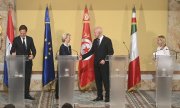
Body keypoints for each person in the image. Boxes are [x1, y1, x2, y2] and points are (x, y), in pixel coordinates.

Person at [80, 26, 114, 102]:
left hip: (104, 65)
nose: (94, 34)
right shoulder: (95, 41)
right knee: (98, 81)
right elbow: (91, 51)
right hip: (96, 65)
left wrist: (104, 59)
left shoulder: (107, 40)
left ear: (99, 33)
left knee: (106, 81)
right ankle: (100, 96)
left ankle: (107, 97)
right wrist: (82, 57)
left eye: (95, 32)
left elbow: (111, 52)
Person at [10, 25, 36, 100]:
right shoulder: (16, 40)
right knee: (19, 79)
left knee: (27, 79)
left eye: (24, 33)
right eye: (21, 33)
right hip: (19, 63)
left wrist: (33, 55)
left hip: (28, 63)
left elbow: (33, 49)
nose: (22, 34)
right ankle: (19, 94)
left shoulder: (30, 39)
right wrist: (13, 53)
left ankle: (26, 94)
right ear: (19, 32)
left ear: (26, 32)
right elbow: (12, 50)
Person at [55, 33, 72, 99]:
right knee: (60, 80)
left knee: (66, 80)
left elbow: (70, 56)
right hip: (62, 66)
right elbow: (65, 56)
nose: (70, 39)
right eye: (69, 38)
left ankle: (65, 93)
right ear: (65, 39)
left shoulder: (69, 46)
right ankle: (57, 94)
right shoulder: (62, 47)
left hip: (68, 66)